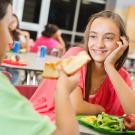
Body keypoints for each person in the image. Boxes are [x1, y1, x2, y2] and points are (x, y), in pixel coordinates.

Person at [30, 10, 135, 121]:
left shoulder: (121, 76)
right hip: (46, 123)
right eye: (93, 36)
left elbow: (133, 113)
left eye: (108, 38)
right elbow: (75, 107)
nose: (99, 44)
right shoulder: (76, 56)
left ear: (121, 42)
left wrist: (109, 66)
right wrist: (100, 109)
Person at [0, 0, 79, 135]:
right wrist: (63, 91)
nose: (10, 41)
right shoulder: (2, 90)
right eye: (7, 27)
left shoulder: (41, 39)